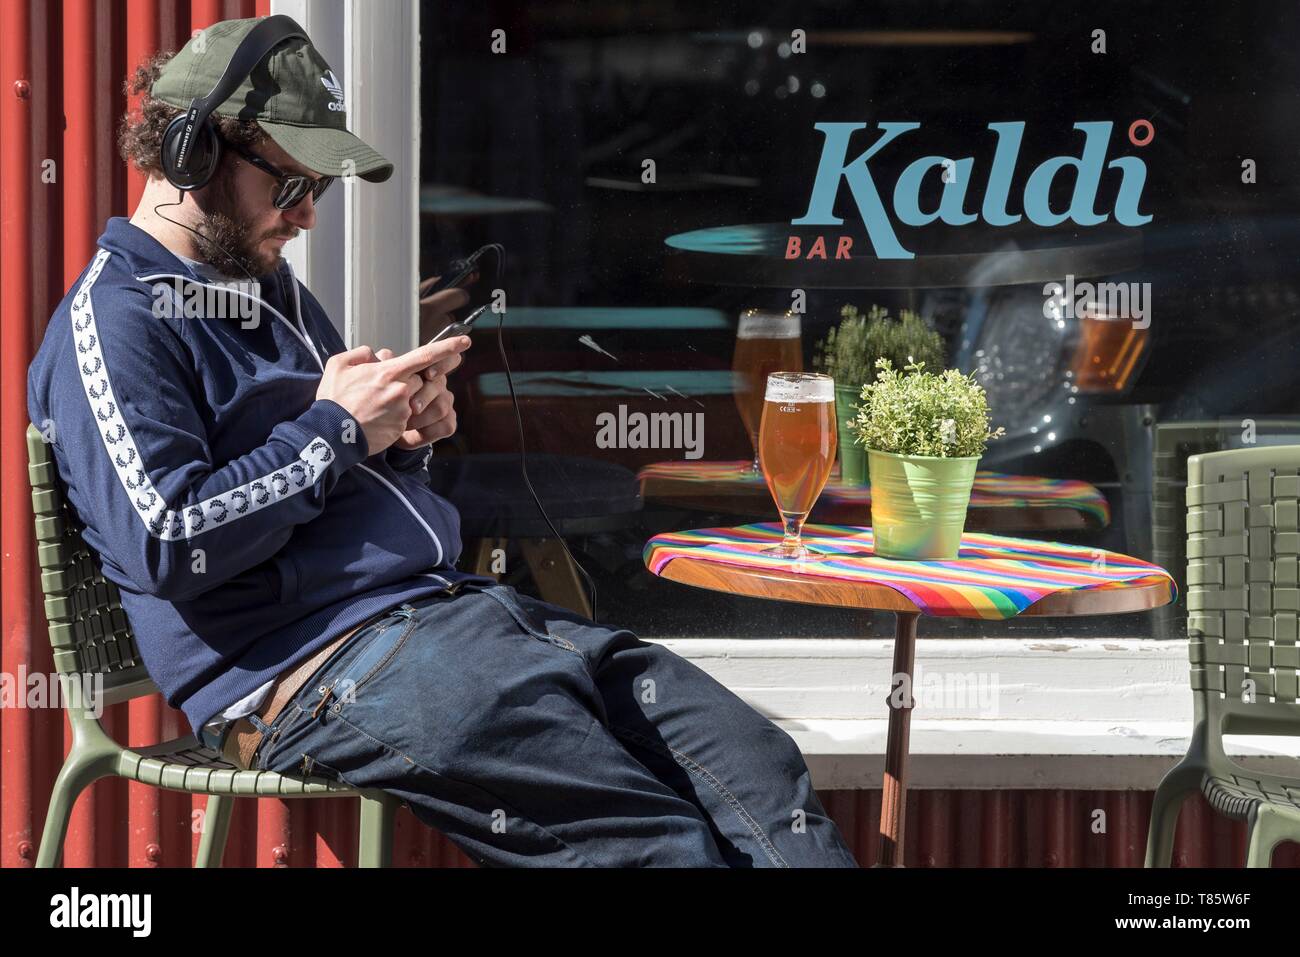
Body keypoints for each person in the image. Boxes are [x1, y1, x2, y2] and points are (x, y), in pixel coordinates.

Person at [26, 16, 858, 868]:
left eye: (322, 188)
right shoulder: (118, 318)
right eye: (291, 186)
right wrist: (337, 429)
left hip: (449, 615)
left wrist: (402, 437)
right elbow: (168, 538)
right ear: (195, 152)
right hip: (322, 667)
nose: (309, 214)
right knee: (656, 846)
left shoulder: (263, 286)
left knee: (758, 769)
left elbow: (328, 481)